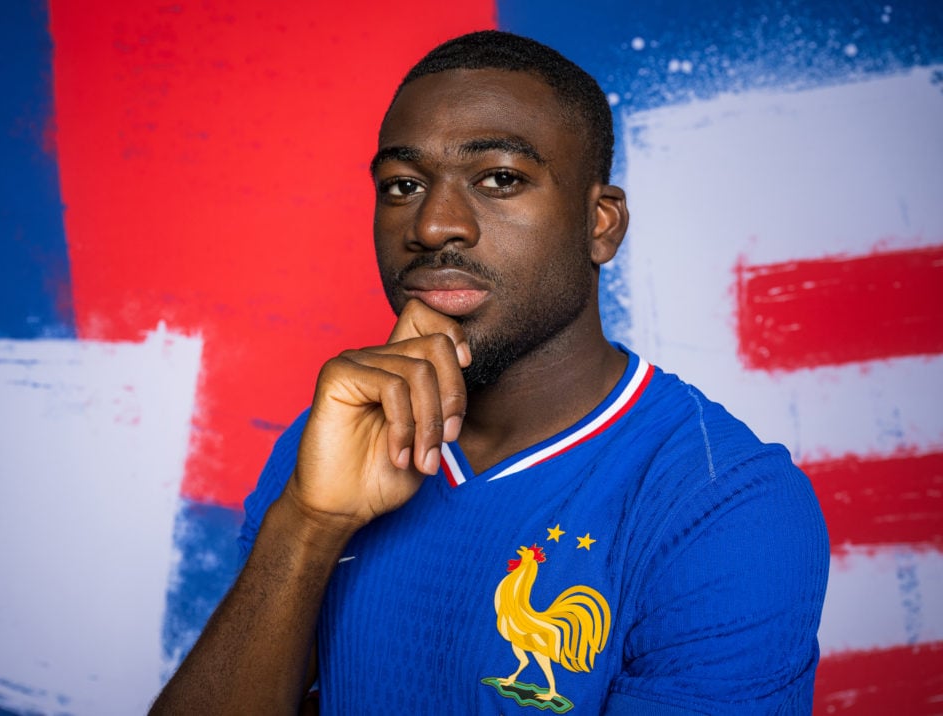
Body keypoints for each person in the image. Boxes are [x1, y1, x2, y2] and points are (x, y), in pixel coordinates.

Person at [150, 30, 829, 715]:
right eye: (403, 185)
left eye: (500, 178)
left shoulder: (724, 500)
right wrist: (306, 524)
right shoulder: (331, 441)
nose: (435, 224)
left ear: (601, 223)